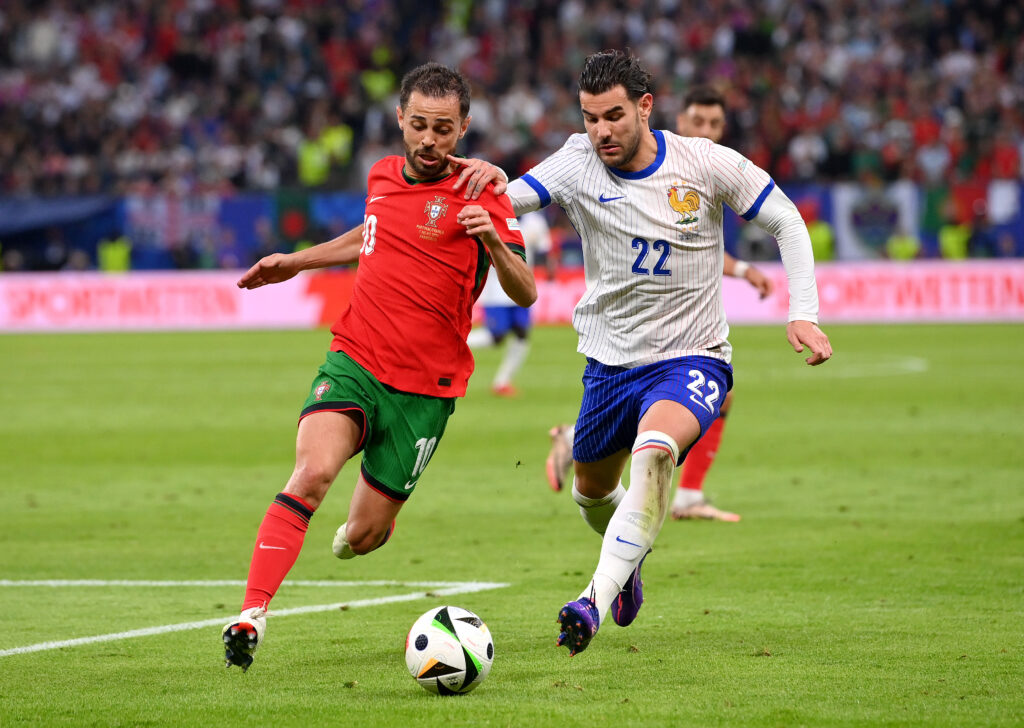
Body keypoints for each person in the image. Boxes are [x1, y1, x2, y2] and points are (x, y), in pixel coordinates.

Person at [451, 50, 832, 656]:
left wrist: (802, 312)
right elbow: (517, 195)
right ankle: (628, 569)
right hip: (608, 364)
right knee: (591, 495)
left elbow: (786, 219)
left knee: (655, 453)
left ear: (645, 107)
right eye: (589, 117)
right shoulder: (578, 161)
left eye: (613, 116)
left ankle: (592, 601)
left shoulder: (703, 163)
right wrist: (490, 181)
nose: (600, 130)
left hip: (693, 356)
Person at [221, 62, 536, 671]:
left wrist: (493, 243)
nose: (428, 140)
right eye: (418, 125)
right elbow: (370, 233)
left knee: (362, 537)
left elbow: (524, 293)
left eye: (442, 129)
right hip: (355, 361)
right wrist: (297, 261)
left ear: (463, 127)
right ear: (399, 119)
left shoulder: (486, 195)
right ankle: (251, 615)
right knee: (310, 475)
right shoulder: (381, 175)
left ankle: (371, 527)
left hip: (426, 390)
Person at [544, 85, 775, 523]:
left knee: (708, 400)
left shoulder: (710, 166)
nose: (707, 130)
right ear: (679, 121)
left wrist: (743, 271)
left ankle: (680, 494)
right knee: (669, 410)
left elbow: (694, 247)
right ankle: (590, 448)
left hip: (686, 329)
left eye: (715, 124)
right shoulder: (655, 164)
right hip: (634, 330)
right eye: (698, 122)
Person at [467, 210, 553, 396]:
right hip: (494, 288)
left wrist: (549, 269)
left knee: (522, 333)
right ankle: (457, 341)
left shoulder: (534, 221)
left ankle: (502, 382)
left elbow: (544, 247)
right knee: (496, 336)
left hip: (521, 285)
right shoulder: (493, 215)